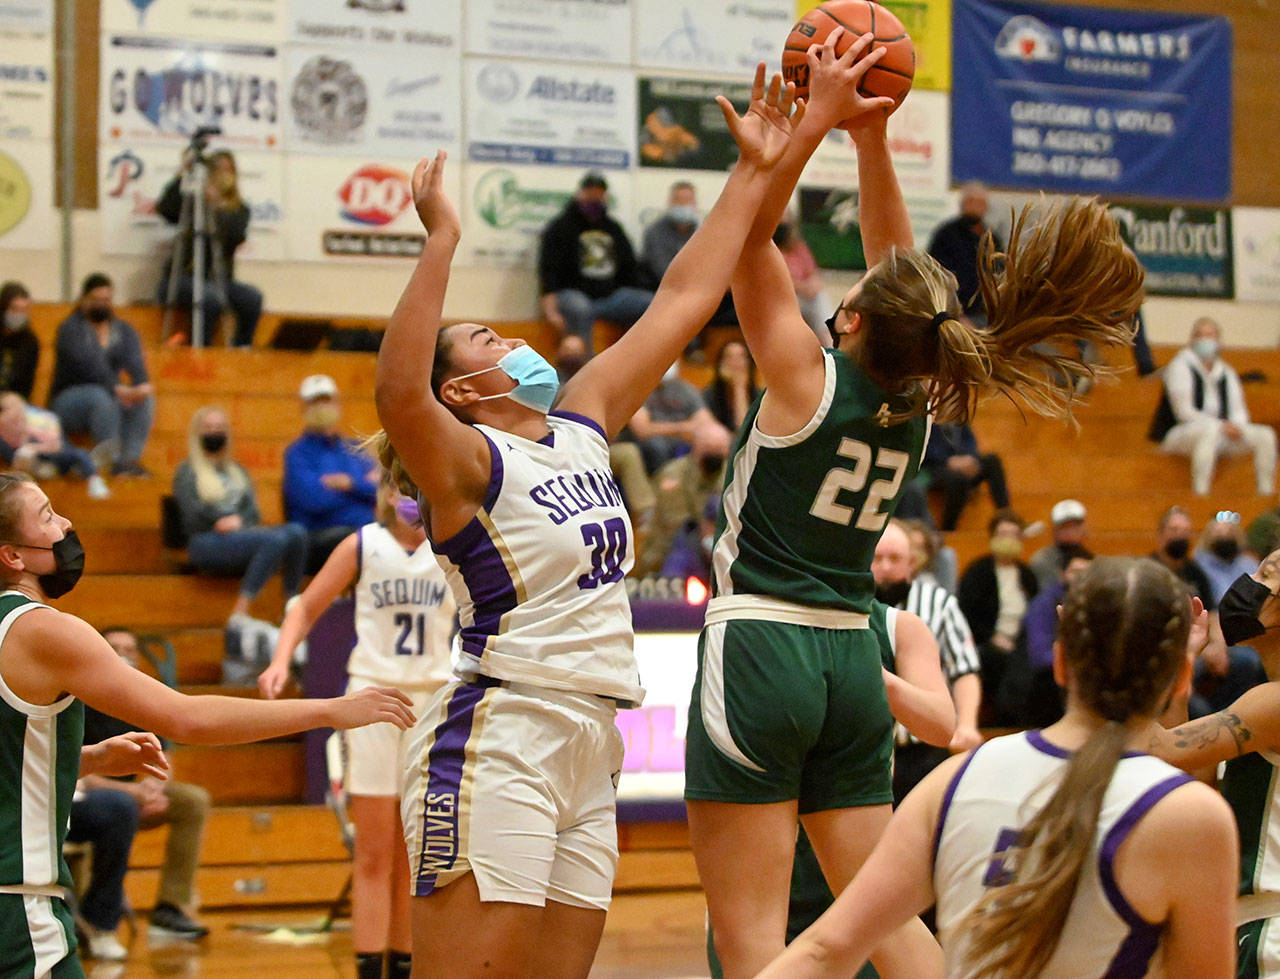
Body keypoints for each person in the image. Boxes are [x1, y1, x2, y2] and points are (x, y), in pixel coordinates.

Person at [687, 29, 1143, 979]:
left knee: (755, 944)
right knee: (886, 931)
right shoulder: (925, 404)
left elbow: (748, 237)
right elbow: (907, 289)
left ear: (847, 320)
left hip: (761, 642)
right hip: (855, 656)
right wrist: (872, 139)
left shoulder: (800, 378)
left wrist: (810, 124)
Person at [374, 65, 803, 978]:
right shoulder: (466, 463)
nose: (515, 340)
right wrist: (441, 240)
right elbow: (396, 389)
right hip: (503, 727)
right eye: (490, 339)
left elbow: (684, 299)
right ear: (461, 392)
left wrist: (756, 170)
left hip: (591, 734)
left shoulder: (581, 420)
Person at [0, 470, 414, 979]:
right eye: (46, 516)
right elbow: (188, 717)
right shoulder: (44, 630)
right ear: (13, 555)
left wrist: (85, 760)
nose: (65, 523)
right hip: (16, 905)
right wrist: (329, 710)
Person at [758, 556, 1238, 979]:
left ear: (1059, 663)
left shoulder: (957, 778)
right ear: (1182, 679)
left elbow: (824, 951)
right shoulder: (1192, 817)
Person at [259, 476, 454, 979]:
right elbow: (305, 606)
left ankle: (407, 964)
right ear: (388, 495)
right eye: (404, 489)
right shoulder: (362, 545)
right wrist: (281, 660)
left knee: (416, 851)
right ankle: (369, 966)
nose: (413, 499)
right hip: (372, 700)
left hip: (433, 703)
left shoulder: (454, 544)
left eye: (420, 489)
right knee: (372, 849)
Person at [1144, 549, 1280, 974]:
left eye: (1267, 574)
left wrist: (1103, 655)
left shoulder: (1273, 705)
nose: (1247, 583)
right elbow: (1191, 790)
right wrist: (1182, 670)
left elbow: (1153, 750)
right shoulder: (1264, 698)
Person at [80, 627, 213, 942]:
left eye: (130, 650)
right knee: (118, 808)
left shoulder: (141, 696)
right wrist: (133, 793)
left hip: (133, 795)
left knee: (191, 800)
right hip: (88, 795)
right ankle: (93, 916)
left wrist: (154, 787)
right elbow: (74, 771)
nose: (124, 656)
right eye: (115, 648)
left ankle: (171, 907)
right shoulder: (80, 696)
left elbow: (164, 753)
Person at [871, 520, 982, 802]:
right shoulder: (847, 605)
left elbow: (965, 669)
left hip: (922, 748)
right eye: (877, 558)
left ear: (912, 562)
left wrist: (966, 725)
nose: (885, 566)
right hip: (868, 749)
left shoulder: (939, 602)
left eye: (894, 558)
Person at [172, 406, 308, 630]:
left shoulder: (238, 472)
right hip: (204, 539)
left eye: (219, 427)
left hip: (240, 534)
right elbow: (191, 512)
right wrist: (220, 520)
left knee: (297, 533)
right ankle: (241, 609)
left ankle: (290, 603)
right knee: (275, 540)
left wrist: (239, 522)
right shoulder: (187, 472)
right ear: (197, 433)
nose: (215, 432)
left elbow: (253, 513)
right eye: (209, 427)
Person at [1156, 317, 1277, 497]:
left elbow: (1238, 409)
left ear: (1218, 340)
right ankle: (1201, 494)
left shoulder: (1226, 372)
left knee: (1266, 435)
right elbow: (1184, 412)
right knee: (1210, 431)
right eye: (1200, 335)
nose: (1205, 339)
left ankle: (1265, 495)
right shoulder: (1180, 366)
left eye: (1210, 335)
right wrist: (1221, 426)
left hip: (1221, 433)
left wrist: (1236, 426)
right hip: (1181, 433)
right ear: (1192, 339)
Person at [48, 273, 154, 478]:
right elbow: (89, 366)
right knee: (101, 396)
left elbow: (135, 362)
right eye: (96, 300)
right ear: (83, 300)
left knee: (144, 399)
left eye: (106, 300)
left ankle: (129, 461)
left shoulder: (122, 330)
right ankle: (112, 460)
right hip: (67, 401)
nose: (101, 305)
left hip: (110, 395)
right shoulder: (70, 329)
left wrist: (141, 385)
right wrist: (118, 388)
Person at [155, 148, 264, 348]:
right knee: (209, 297)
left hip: (219, 280)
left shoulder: (240, 210)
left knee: (252, 297)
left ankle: (242, 346)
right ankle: (201, 351)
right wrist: (184, 174)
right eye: (219, 169)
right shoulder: (192, 203)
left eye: (229, 170)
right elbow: (165, 208)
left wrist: (215, 209)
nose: (225, 175)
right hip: (182, 278)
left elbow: (233, 237)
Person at [538, 172, 654, 354]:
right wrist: (550, 309)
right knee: (581, 309)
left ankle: (641, 361)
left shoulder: (612, 228)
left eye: (599, 194)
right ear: (580, 194)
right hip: (573, 294)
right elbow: (548, 270)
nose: (595, 198)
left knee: (650, 303)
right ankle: (585, 370)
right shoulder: (560, 228)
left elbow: (629, 266)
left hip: (610, 297)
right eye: (590, 193)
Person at [284, 374, 379, 574]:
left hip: (364, 532)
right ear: (304, 408)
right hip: (320, 537)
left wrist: (350, 485)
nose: (322, 408)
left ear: (337, 403)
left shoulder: (355, 449)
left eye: (326, 401)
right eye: (315, 402)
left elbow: (380, 491)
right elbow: (313, 501)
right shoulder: (296, 454)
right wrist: (361, 491)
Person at [956, 509, 1038, 722]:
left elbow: (1035, 613)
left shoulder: (1027, 575)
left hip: (1020, 643)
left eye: (1014, 534)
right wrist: (993, 638)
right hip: (986, 641)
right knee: (995, 661)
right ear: (993, 537)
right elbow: (967, 613)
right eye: (1003, 534)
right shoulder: (978, 572)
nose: (1008, 540)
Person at [0, 393, 110, 499]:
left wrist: (33, 447)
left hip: (48, 451)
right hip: (30, 458)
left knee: (76, 453)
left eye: (20, 405)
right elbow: (15, 450)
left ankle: (89, 473)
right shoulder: (6, 425)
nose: (20, 409)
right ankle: (80, 467)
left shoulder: (36, 420)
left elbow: (55, 444)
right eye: (13, 407)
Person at [629, 363, 729, 474]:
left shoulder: (685, 389)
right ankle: (660, 485)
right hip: (652, 443)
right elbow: (642, 430)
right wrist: (682, 428)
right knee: (655, 446)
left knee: (716, 440)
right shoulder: (640, 391)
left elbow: (706, 421)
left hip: (683, 441)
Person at [926, 181, 1003, 320]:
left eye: (979, 203)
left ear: (986, 207)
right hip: (952, 315)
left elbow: (1000, 276)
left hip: (986, 315)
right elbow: (935, 276)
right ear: (962, 204)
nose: (974, 207)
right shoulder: (946, 235)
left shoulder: (992, 240)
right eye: (970, 201)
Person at [919, 421, 1011, 531]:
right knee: (959, 479)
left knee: (992, 461)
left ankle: (1006, 517)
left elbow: (970, 442)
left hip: (961, 463)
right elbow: (923, 448)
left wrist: (969, 459)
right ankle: (949, 529)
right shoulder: (927, 420)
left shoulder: (959, 419)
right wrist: (948, 461)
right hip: (934, 467)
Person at [772, 214, 830, 341]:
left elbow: (814, 273)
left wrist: (813, 286)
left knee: (820, 298)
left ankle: (830, 343)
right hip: (782, 297)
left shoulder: (798, 247)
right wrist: (802, 287)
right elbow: (775, 280)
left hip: (806, 296)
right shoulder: (768, 251)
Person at [1197, 509, 1259, 605]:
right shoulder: (1199, 566)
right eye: (1219, 533)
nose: (1224, 537)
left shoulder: (1249, 565)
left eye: (1229, 533)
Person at [1027, 498, 1088, 593]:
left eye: (1075, 526)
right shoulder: (1041, 560)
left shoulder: (1089, 558)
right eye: (1065, 526)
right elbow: (1043, 595)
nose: (1070, 531)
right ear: (1055, 529)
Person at [702, 339, 759, 434]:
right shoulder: (709, 395)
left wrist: (739, 388)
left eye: (741, 357)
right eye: (729, 357)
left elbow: (744, 433)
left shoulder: (760, 396)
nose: (735, 363)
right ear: (720, 364)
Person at [0, 281, 40, 401]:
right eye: (14, 309)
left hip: (13, 403)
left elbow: (26, 387)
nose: (18, 315)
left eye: (24, 310)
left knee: (47, 420)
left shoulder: (30, 343)